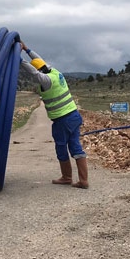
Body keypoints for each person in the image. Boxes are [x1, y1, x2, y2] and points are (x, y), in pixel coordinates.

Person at [19, 40, 89, 189]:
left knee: (61, 147)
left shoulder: (46, 80)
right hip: (74, 116)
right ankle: (83, 180)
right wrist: (26, 49)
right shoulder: (55, 72)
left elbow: (32, 71)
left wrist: (17, 59)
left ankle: (66, 177)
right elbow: (39, 61)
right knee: (76, 146)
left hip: (62, 120)